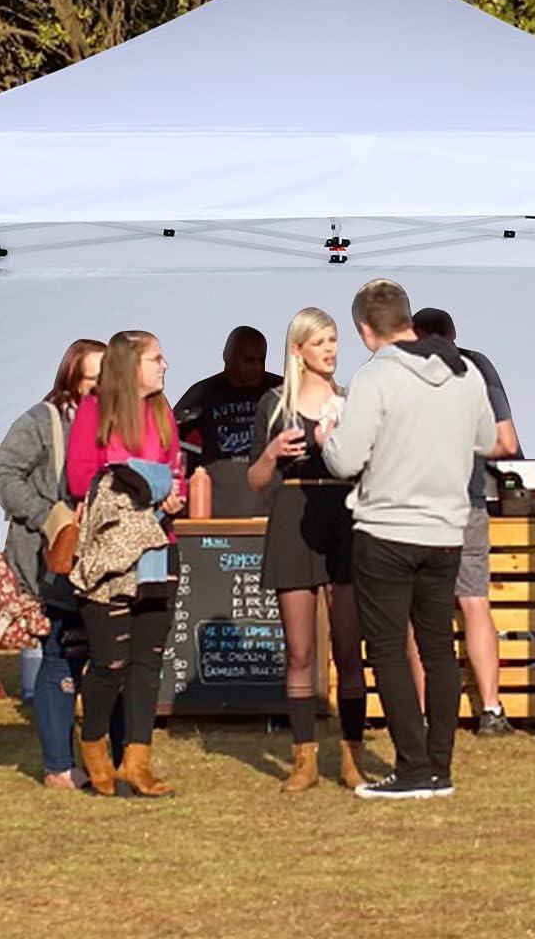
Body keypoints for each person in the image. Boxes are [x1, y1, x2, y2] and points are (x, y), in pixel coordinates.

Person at [320, 281, 494, 800]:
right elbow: (487, 440)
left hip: (387, 528)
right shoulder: (466, 373)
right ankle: (439, 767)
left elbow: (345, 460)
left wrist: (323, 439)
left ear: (364, 330)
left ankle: (414, 768)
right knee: (440, 648)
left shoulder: (375, 376)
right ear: (409, 319)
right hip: (446, 530)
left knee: (391, 650)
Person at [0, 338, 125, 790]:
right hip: (55, 557)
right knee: (61, 653)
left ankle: (111, 758)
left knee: (104, 653)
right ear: (71, 379)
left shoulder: (119, 421)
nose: (101, 389)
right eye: (92, 380)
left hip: (106, 555)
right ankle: (59, 766)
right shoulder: (41, 421)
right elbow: (2, 473)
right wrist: (48, 515)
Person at [247, 308, 367, 792]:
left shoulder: (353, 400)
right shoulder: (274, 404)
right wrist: (272, 454)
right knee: (300, 650)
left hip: (343, 514)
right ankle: (304, 759)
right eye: (320, 342)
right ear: (297, 350)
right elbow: (255, 482)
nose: (331, 350)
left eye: (334, 340)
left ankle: (353, 755)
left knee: (348, 646)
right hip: (293, 514)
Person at [66, 330, 186, 797]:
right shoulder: (95, 412)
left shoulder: (162, 412)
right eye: (156, 358)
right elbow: (80, 479)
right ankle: (94, 745)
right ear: (130, 365)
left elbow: (175, 469)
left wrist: (170, 492)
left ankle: (137, 761)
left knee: (147, 661)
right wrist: (137, 479)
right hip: (111, 553)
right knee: (110, 661)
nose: (164, 365)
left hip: (160, 545)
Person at [411, 308, 521, 736]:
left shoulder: (400, 371)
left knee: (417, 613)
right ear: (454, 334)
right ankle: (491, 711)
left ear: (416, 335)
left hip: (414, 507)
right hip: (467, 503)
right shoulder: (478, 367)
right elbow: (506, 443)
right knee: (475, 603)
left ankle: (421, 716)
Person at [174, 325, 282, 469]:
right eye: (249, 361)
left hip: (271, 479)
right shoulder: (204, 392)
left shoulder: (280, 389)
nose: (257, 367)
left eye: (261, 360)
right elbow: (169, 434)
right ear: (228, 357)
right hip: (221, 482)